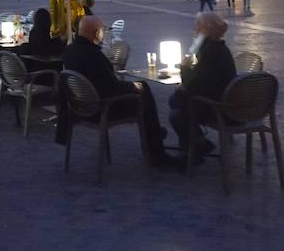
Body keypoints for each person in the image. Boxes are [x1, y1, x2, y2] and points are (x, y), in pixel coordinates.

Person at [61, 16, 179, 167]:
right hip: (104, 108)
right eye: (102, 30)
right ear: (97, 34)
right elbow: (111, 87)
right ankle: (156, 150)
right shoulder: (94, 55)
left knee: (141, 89)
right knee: (143, 90)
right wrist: (132, 87)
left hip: (80, 106)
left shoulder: (70, 50)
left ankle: (154, 132)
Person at [168, 12, 238, 159]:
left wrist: (185, 68)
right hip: (227, 102)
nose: (194, 30)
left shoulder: (210, 51)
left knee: (176, 110)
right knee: (177, 101)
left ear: (206, 30)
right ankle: (197, 142)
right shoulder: (219, 48)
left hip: (219, 108)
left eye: (197, 27)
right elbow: (202, 80)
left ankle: (195, 148)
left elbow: (193, 86)